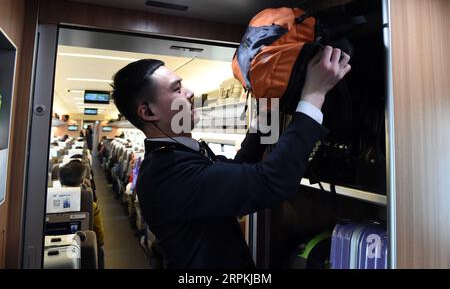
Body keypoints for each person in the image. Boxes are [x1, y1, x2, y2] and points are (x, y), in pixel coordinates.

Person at [111, 46, 351, 268]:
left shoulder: (176, 155)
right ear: (148, 111)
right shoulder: (169, 173)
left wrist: (268, 115)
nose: (190, 92)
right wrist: (315, 94)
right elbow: (273, 181)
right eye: (176, 89)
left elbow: (238, 170)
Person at [59, 159, 105, 268]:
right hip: (83, 254)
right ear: (82, 181)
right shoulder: (90, 205)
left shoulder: (46, 201)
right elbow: (100, 236)